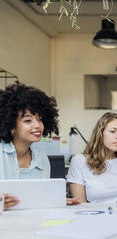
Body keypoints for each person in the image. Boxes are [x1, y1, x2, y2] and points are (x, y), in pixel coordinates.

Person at [0, 82, 80, 210]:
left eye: (40, 119)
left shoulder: (42, 159)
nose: (37, 126)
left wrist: (55, 201)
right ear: (11, 126)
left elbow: (37, 201)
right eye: (28, 120)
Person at [67, 112, 117, 203]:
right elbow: (81, 206)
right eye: (112, 131)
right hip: (97, 216)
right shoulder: (79, 161)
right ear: (100, 133)